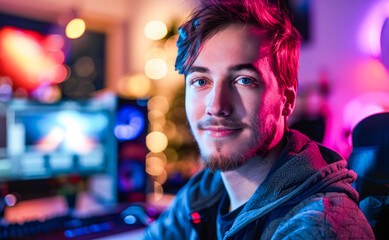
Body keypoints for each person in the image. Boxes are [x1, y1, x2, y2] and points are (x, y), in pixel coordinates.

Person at [144, 0, 374, 239]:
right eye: (201, 81)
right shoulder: (204, 193)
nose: (216, 106)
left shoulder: (318, 228)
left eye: (244, 80)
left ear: (286, 99)